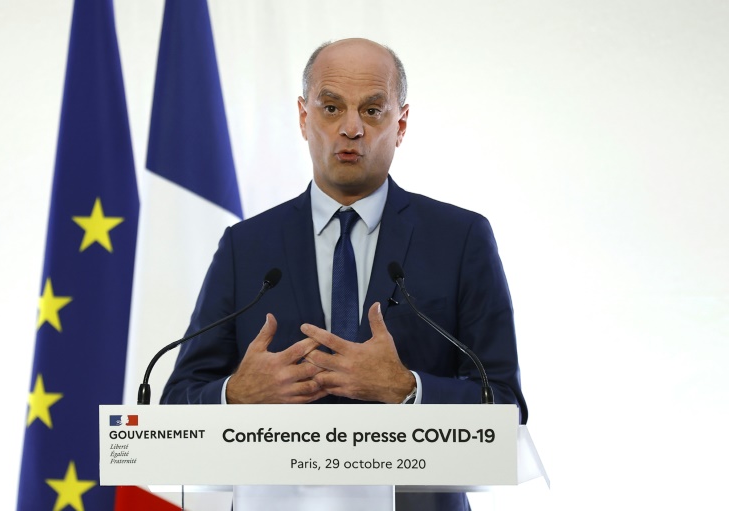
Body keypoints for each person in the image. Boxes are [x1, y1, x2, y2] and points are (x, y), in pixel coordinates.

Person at [161, 37, 527, 511]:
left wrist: (408, 390)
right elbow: (175, 404)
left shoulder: (460, 239)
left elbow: (506, 409)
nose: (351, 128)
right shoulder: (245, 246)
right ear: (303, 117)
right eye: (331, 107)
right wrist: (235, 396)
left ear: (400, 124)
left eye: (372, 111)